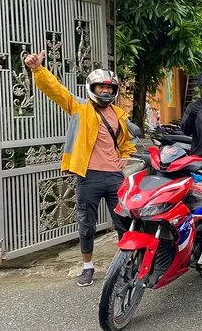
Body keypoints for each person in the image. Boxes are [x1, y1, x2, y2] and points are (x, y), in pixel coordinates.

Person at [24, 50, 136, 287]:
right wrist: (38, 70)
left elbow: (127, 142)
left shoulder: (120, 115)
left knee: (123, 221)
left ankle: (127, 263)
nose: (105, 91)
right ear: (92, 88)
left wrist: (125, 157)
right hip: (89, 175)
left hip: (114, 176)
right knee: (86, 224)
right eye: (100, 87)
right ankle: (87, 267)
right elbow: (56, 90)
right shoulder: (80, 107)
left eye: (109, 88)